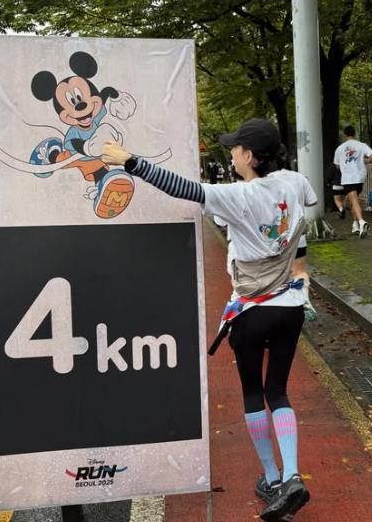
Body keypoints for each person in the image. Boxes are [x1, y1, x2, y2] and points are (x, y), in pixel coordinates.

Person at [103, 118, 310, 522]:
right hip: (290, 306)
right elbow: (305, 217)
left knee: (253, 392)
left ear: (249, 156)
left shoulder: (239, 195)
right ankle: (293, 476)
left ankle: (272, 478)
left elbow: (182, 188)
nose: (231, 154)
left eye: (235, 148)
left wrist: (129, 161)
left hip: (251, 310)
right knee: (278, 391)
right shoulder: (294, 183)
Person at [270, 145, 318, 321]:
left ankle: (281, 309)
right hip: (298, 234)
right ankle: (304, 299)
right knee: (299, 271)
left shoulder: (263, 180)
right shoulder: (298, 178)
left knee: (275, 275)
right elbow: (312, 201)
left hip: (274, 237)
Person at [334, 126, 372, 238]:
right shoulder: (362, 145)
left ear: (345, 135)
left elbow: (337, 165)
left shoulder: (340, 148)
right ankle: (355, 224)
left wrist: (345, 165)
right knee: (354, 201)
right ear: (355, 134)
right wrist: (364, 161)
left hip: (348, 179)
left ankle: (361, 222)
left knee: (354, 202)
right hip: (360, 178)